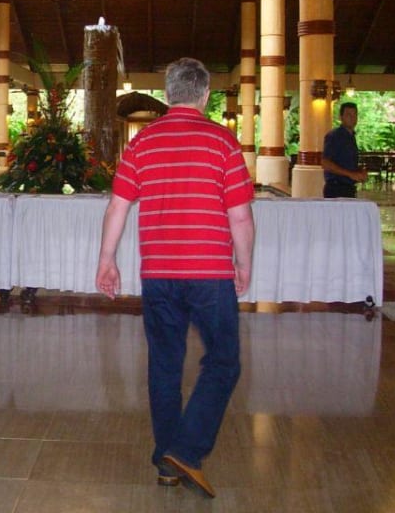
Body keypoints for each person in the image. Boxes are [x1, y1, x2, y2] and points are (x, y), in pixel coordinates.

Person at [95, 57, 254, 499]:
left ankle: (168, 458)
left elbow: (118, 207)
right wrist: (245, 264)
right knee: (223, 361)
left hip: (159, 275)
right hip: (209, 275)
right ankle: (185, 450)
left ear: (168, 95)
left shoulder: (142, 144)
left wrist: (107, 259)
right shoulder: (223, 142)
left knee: (164, 365)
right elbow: (239, 218)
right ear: (204, 96)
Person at [321, 102, 368, 198]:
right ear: (341, 117)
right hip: (336, 188)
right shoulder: (334, 136)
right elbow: (325, 163)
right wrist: (350, 174)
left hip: (348, 188)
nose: (352, 118)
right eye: (348, 115)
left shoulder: (351, 137)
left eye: (354, 114)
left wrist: (359, 172)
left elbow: (346, 163)